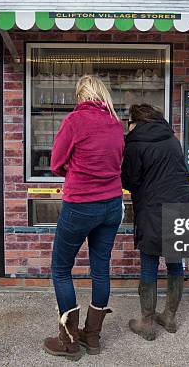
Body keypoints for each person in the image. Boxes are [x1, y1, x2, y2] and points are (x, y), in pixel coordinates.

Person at [43, 75, 124, 361]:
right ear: (102, 95)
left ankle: (69, 342)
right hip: (113, 204)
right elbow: (115, 162)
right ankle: (92, 336)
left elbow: (55, 163)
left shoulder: (75, 121)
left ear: (81, 95)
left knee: (61, 269)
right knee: (100, 268)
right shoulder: (116, 123)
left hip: (81, 204)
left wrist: (74, 170)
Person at [121, 103, 189, 341]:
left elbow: (130, 181)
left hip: (154, 211)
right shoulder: (171, 139)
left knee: (149, 264)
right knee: (175, 263)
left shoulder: (135, 143)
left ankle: (146, 323)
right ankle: (170, 317)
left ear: (134, 121)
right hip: (183, 207)